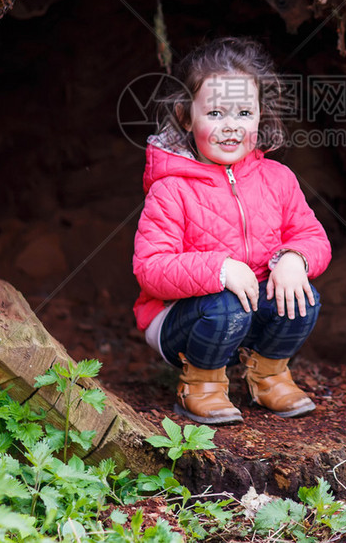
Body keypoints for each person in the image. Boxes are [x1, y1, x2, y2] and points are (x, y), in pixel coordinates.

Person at [132, 37, 332, 425]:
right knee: (226, 304)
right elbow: (151, 269)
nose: (230, 127)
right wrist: (220, 269)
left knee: (304, 296)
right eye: (215, 113)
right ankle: (201, 385)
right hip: (182, 321)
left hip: (249, 312)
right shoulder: (170, 188)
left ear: (260, 116)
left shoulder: (278, 178)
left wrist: (294, 258)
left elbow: (313, 237)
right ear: (187, 117)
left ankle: (269, 375)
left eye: (243, 113)